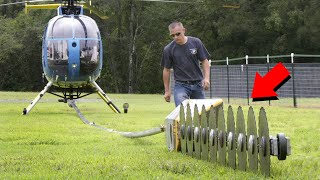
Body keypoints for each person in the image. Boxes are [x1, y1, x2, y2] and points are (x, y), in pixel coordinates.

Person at [161, 21, 211, 106]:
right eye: (172, 35)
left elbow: (205, 61)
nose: (175, 37)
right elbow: (166, 70)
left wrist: (206, 78)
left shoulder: (196, 42)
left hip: (198, 84)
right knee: (182, 112)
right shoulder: (168, 49)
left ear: (184, 30)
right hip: (181, 85)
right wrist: (167, 91)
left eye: (178, 34)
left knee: (201, 114)